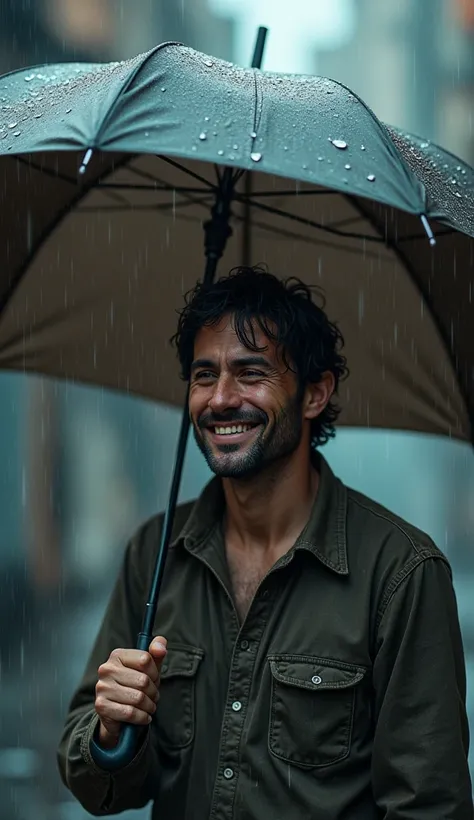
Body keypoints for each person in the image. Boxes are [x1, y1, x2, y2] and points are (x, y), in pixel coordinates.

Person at [57, 266, 473, 819]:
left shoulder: (401, 572)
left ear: (314, 393)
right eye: (204, 375)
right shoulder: (156, 552)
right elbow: (103, 785)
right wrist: (110, 731)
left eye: (251, 373)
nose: (221, 399)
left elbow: (430, 807)